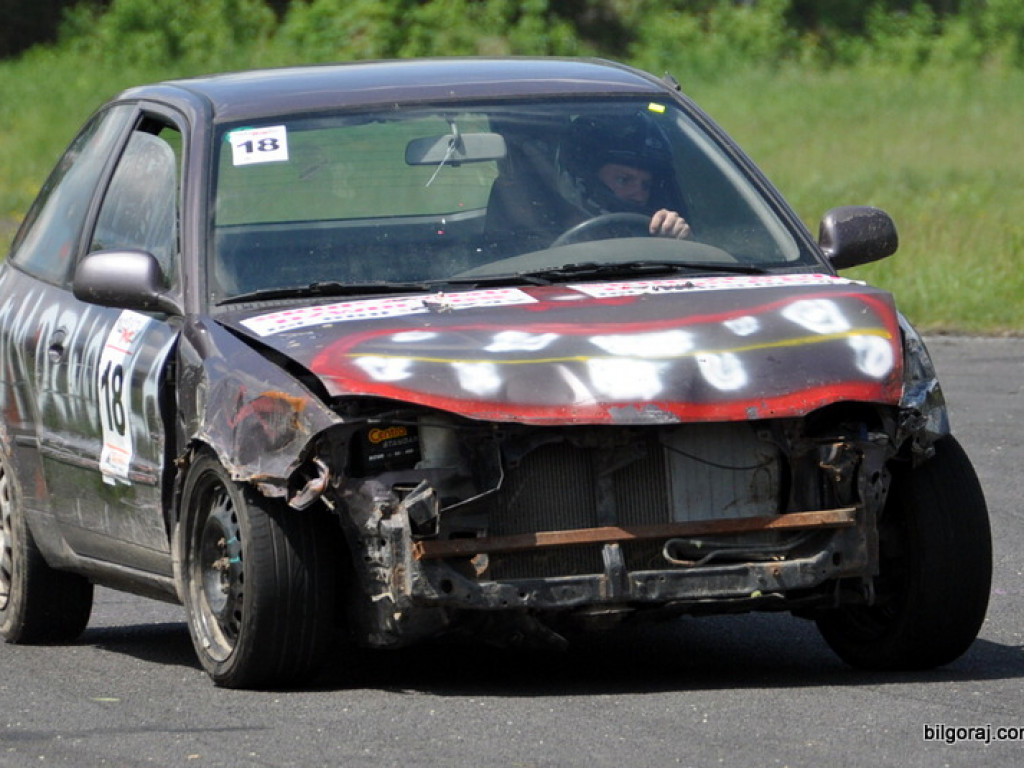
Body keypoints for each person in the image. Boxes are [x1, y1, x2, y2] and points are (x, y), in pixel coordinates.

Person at [558, 112, 691, 240]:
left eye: (646, 185)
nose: (640, 196)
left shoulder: (650, 235)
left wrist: (673, 238)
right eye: (623, 180)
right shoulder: (541, 241)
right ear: (580, 182)